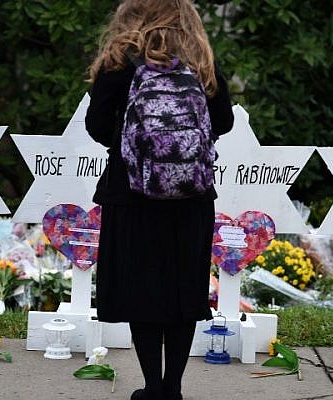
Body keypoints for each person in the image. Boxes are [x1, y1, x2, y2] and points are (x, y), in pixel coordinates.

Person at [85, 1, 234, 399]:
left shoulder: (120, 62)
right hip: (192, 196)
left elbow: (97, 126)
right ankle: (174, 389)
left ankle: (152, 387)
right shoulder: (199, 63)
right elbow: (225, 122)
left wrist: (140, 147)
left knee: (143, 293)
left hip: (130, 195)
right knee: (182, 293)